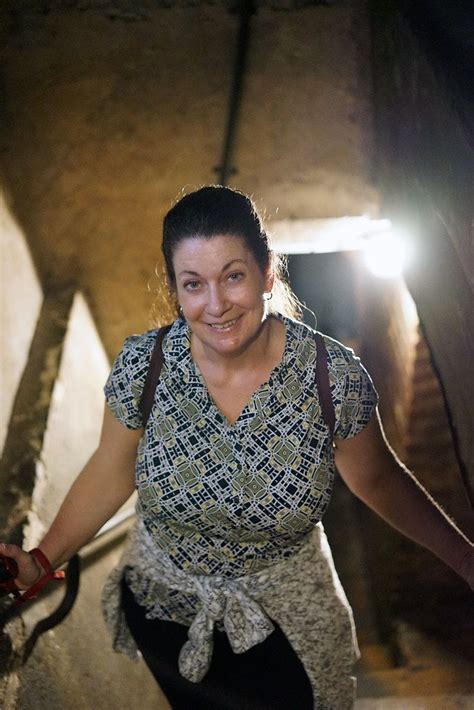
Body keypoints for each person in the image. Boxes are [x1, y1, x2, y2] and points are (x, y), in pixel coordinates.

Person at [1, 185, 473, 709]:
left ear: (267, 272)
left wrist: (467, 561)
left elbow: (381, 480)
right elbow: (112, 470)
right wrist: (42, 560)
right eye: (193, 284)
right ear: (175, 289)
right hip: (168, 615)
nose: (216, 305)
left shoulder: (330, 378)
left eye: (233, 276)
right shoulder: (145, 369)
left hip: (288, 623)